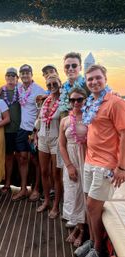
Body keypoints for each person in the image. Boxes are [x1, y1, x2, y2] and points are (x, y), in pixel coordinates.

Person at [75, 65, 125, 257]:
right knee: (91, 206)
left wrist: (121, 167)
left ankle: (98, 249)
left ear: (105, 78)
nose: (94, 82)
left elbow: (124, 134)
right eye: (90, 79)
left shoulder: (115, 102)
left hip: (106, 165)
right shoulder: (90, 101)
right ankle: (93, 241)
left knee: (92, 206)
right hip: (90, 160)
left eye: (98, 78)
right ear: (86, 83)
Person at [12, 64, 46, 201]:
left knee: (36, 160)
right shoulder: (19, 89)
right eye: (23, 73)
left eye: (27, 73)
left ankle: (36, 189)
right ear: (20, 75)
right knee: (22, 158)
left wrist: (36, 131)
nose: (25, 75)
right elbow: (6, 89)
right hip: (22, 129)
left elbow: (45, 106)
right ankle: (23, 189)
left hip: (34, 130)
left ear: (32, 74)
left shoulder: (39, 90)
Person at [59, 87, 88, 247]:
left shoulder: (90, 118)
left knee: (84, 194)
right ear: (69, 102)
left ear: (85, 100)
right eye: (72, 100)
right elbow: (61, 145)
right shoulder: (64, 120)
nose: (76, 103)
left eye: (79, 99)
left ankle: (82, 229)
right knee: (73, 193)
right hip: (71, 159)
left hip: (86, 159)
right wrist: (69, 166)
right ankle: (78, 225)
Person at [36, 74, 62, 219]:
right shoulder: (45, 100)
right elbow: (39, 119)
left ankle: (56, 205)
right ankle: (46, 200)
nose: (52, 87)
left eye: (54, 84)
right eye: (49, 85)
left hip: (56, 140)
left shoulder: (64, 101)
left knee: (56, 174)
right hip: (42, 138)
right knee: (44, 171)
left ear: (60, 84)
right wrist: (35, 134)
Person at [0, 67, 21, 194]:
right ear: (5, 78)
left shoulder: (22, 91)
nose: (11, 79)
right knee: (8, 158)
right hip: (5, 130)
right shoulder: (0, 92)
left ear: (17, 78)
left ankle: (22, 185)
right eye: (8, 76)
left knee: (21, 157)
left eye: (13, 76)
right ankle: (7, 183)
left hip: (20, 129)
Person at [59, 52, 89, 118]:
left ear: (80, 68)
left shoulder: (88, 85)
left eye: (74, 65)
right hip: (66, 124)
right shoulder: (63, 87)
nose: (70, 68)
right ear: (64, 69)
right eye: (67, 66)